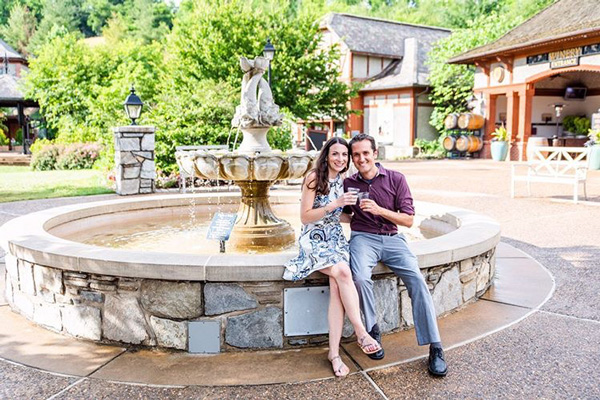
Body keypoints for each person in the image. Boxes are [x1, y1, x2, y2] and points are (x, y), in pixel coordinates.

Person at [343, 133, 448, 377]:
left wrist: (380, 210)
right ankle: (371, 329)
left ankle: (436, 346)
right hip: (362, 238)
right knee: (358, 277)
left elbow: (409, 220)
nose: (361, 159)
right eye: (356, 154)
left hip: (393, 239)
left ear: (374, 153)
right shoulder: (349, 183)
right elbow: (347, 214)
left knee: (417, 281)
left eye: (365, 153)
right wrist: (325, 212)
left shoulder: (396, 179)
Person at [283, 137, 382, 378]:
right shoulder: (314, 178)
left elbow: (339, 217)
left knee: (337, 289)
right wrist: (334, 204)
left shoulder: (344, 181)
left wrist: (364, 215)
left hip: (335, 239)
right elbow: (305, 217)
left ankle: (334, 354)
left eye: (344, 155)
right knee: (343, 272)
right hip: (314, 239)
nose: (341, 159)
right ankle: (361, 331)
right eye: (335, 154)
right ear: (326, 155)